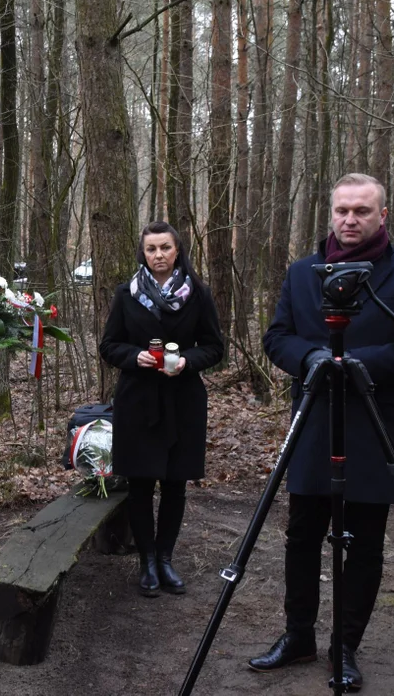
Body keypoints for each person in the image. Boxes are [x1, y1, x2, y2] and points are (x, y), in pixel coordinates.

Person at [251, 173, 394, 689]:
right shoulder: (302, 273)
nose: (350, 220)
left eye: (361, 210)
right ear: (331, 213)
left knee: (364, 544)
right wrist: (314, 358)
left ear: (383, 214)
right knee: (301, 535)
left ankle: (345, 647)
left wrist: (355, 362)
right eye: (342, 211)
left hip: (375, 424)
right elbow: (277, 337)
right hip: (314, 422)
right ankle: (297, 636)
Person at [99, 221, 224, 598]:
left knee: (175, 484)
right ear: (143, 253)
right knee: (140, 484)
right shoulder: (127, 294)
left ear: (177, 250)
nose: (158, 256)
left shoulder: (198, 294)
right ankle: (147, 561)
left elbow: (215, 347)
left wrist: (187, 360)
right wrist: (134, 356)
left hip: (183, 401)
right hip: (138, 401)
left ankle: (166, 559)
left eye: (165, 248)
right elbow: (109, 346)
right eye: (151, 249)